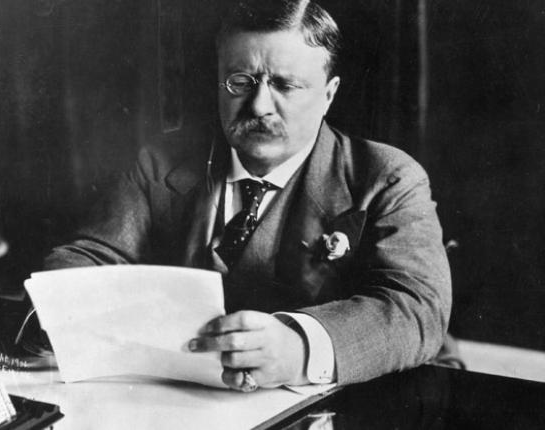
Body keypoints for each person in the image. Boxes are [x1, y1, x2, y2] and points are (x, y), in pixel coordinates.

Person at [43, 0, 452, 392]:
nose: (258, 106)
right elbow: (88, 258)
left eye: (285, 85)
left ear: (328, 95)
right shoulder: (159, 164)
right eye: (240, 82)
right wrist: (61, 306)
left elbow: (416, 306)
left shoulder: (385, 177)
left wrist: (299, 347)